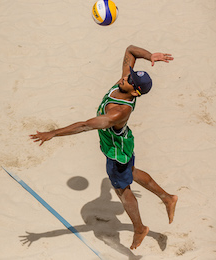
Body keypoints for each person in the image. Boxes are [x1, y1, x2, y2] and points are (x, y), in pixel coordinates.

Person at [29, 45, 178, 250]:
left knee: (122, 190)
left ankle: (139, 228)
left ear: (135, 91)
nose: (125, 77)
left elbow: (84, 126)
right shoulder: (125, 83)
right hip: (125, 141)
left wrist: (53, 133)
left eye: (130, 80)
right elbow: (131, 51)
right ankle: (168, 198)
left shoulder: (118, 112)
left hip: (117, 152)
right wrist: (150, 55)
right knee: (131, 172)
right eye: (129, 75)